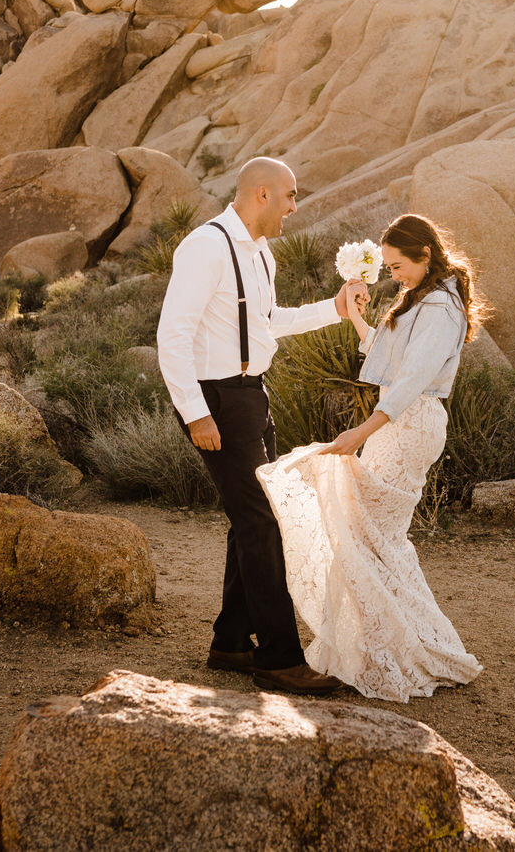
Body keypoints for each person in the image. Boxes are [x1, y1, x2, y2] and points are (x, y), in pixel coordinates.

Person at [156, 157, 367, 696]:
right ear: (262, 194)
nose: (296, 207)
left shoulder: (261, 253)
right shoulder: (205, 247)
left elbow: (269, 322)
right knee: (263, 525)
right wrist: (195, 412)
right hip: (217, 401)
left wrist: (336, 309)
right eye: (291, 196)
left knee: (256, 519)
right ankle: (278, 656)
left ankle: (230, 642)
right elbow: (173, 335)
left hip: (251, 397)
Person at [256, 213, 486, 702]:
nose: (393, 275)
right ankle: (390, 645)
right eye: (387, 266)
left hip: (410, 424)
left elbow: (409, 381)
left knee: (371, 535)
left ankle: (397, 649)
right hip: (397, 424)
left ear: (425, 254)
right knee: (374, 537)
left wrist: (361, 429)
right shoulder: (422, 296)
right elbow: (385, 355)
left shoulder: (442, 306)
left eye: (398, 265)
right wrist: (356, 311)